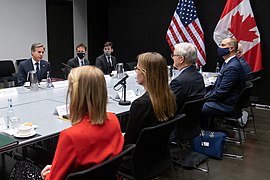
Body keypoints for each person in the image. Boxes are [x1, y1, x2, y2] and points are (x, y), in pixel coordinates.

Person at [41, 66, 124, 180]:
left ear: (75, 95)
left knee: (21, 167)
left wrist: (48, 175)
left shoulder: (70, 136)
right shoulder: (114, 120)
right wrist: (57, 167)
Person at [124, 52, 177, 145]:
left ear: (146, 73)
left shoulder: (140, 104)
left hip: (138, 156)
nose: (135, 72)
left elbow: (128, 141)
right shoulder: (170, 96)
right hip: (161, 153)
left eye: (137, 68)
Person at [201, 37, 246, 128]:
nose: (220, 48)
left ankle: (203, 134)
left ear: (231, 48)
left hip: (227, 105)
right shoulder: (229, 63)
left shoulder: (232, 67)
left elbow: (222, 92)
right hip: (225, 100)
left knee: (196, 106)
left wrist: (204, 99)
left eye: (223, 45)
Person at [170, 42, 206, 113]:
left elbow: (169, 107)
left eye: (173, 55)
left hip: (178, 120)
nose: (172, 57)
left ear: (181, 59)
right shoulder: (198, 76)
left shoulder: (178, 82)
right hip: (193, 120)